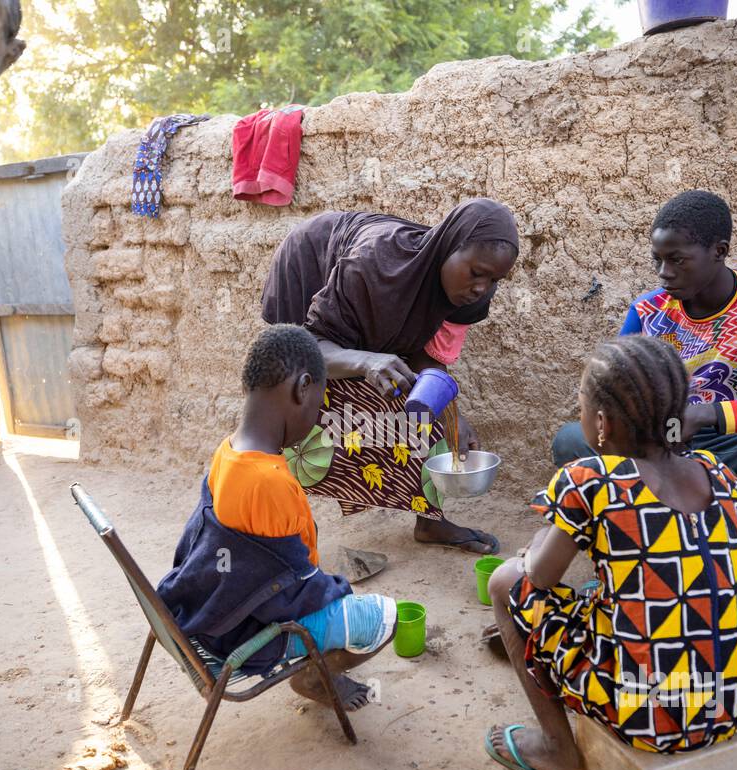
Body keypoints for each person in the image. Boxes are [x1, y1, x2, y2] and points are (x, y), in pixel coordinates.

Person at [551, 190, 737, 690]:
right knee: (571, 442)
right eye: (658, 261)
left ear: (720, 251)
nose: (665, 273)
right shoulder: (649, 311)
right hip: (662, 455)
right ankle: (620, 574)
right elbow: (612, 390)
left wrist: (710, 414)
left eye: (677, 260)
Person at [486, 336, 737, 770]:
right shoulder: (719, 474)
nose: (580, 415)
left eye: (581, 405)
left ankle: (557, 750)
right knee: (618, 595)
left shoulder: (590, 480)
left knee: (505, 580)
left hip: (649, 716)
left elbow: (539, 576)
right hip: (735, 701)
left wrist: (548, 525)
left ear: (601, 422)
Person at [157, 325, 396, 710]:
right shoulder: (270, 482)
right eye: (318, 404)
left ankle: (317, 662)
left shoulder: (228, 452)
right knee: (383, 617)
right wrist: (334, 590)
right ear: (303, 388)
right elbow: (285, 599)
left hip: (217, 608)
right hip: (249, 634)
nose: (316, 416)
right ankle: (314, 677)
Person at [261, 197, 519, 555]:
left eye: (495, 280)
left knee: (422, 398)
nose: (482, 288)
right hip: (309, 264)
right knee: (294, 392)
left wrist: (453, 416)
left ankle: (430, 520)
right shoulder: (375, 264)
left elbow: (429, 362)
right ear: (449, 245)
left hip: (369, 294)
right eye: (476, 273)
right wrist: (366, 361)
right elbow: (305, 351)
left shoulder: (470, 297)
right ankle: (281, 523)